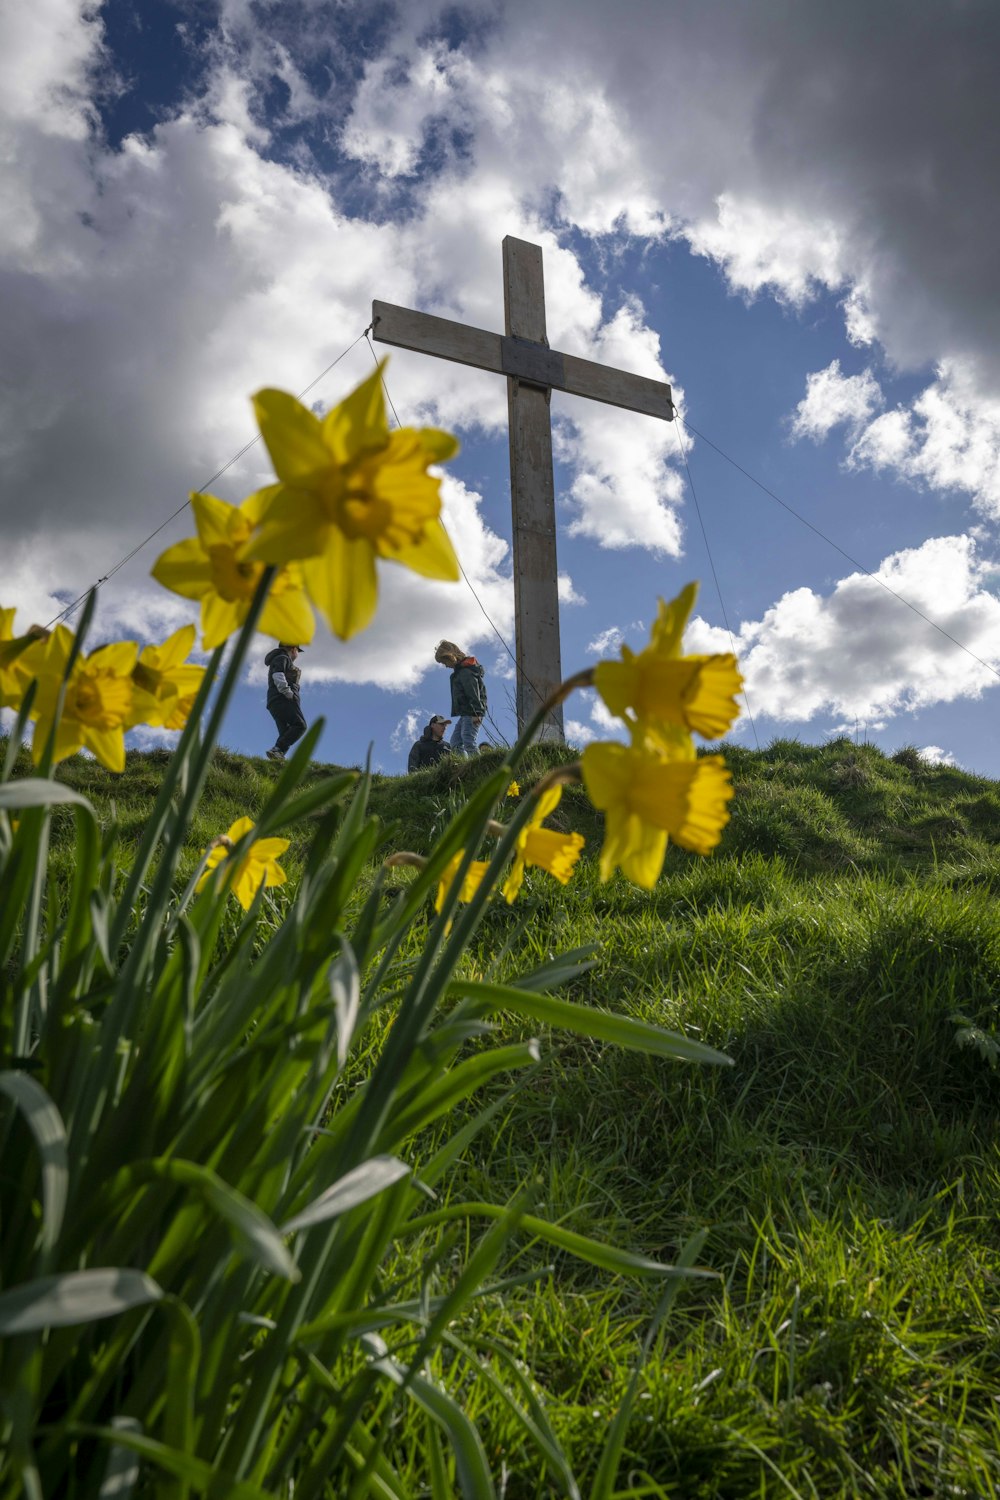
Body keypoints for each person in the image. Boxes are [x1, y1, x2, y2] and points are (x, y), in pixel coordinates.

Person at [434, 639, 487, 756]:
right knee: (455, 742)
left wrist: (476, 713)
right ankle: (464, 767)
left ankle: (479, 767)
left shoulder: (465, 672)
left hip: (472, 711)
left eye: (444, 662)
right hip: (465, 713)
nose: (445, 666)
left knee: (468, 740)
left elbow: (473, 692)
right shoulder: (460, 672)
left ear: (450, 657)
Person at [264, 643, 306, 761]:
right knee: (300, 725)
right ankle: (277, 750)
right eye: (298, 650)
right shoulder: (282, 658)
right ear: (293, 649)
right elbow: (278, 675)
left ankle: (277, 757)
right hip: (283, 699)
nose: (297, 653)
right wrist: (288, 693)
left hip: (274, 701)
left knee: (286, 732)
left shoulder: (280, 658)